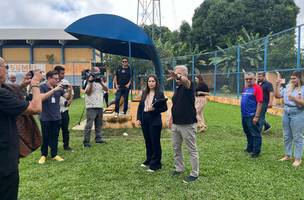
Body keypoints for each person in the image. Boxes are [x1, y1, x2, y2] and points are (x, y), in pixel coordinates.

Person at [0, 57, 43, 200]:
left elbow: (9, 94)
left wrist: (23, 86)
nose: (6, 71)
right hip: (4, 162)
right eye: (5, 67)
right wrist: (35, 84)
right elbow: (35, 108)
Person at [168, 65, 199, 183]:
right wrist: (171, 119)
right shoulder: (178, 88)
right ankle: (179, 168)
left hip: (187, 124)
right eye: (175, 73)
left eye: (179, 74)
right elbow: (176, 105)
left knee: (191, 149)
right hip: (176, 124)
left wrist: (179, 76)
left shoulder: (189, 85)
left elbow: (185, 82)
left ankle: (194, 173)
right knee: (176, 148)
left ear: (185, 75)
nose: (176, 76)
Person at [38, 70, 73, 164]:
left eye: (58, 79)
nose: (58, 80)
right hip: (45, 117)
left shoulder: (59, 88)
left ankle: (54, 154)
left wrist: (69, 91)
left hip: (57, 117)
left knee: (55, 136)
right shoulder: (42, 87)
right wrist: (54, 90)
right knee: (45, 137)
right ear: (49, 78)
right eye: (56, 79)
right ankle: (43, 155)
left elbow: (67, 98)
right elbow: (41, 98)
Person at [136, 75, 167, 172]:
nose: (151, 83)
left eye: (153, 81)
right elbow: (140, 106)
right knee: (148, 141)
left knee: (155, 142)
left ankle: (156, 164)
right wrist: (138, 118)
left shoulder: (160, 94)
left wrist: (154, 109)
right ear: (147, 83)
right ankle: (149, 160)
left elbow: (164, 108)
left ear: (156, 82)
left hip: (155, 120)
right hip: (145, 119)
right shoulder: (144, 93)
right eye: (149, 81)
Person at [274, 71, 304, 167]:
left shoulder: (303, 89)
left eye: (294, 78)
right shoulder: (288, 87)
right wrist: (277, 84)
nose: (292, 80)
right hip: (286, 112)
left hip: (298, 113)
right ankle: (288, 155)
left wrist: (294, 99)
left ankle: (298, 158)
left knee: (297, 136)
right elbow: (278, 95)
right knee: (287, 135)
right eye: (291, 78)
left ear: (300, 79)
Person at [83, 67, 108, 147]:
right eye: (96, 73)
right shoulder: (88, 81)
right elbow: (89, 93)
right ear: (92, 73)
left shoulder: (100, 81)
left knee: (99, 124)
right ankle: (86, 141)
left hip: (99, 105)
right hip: (91, 106)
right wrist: (90, 82)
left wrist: (101, 82)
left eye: (98, 73)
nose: (97, 74)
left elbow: (106, 89)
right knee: (89, 124)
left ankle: (98, 138)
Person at [241, 72, 263, 158]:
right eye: (247, 79)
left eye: (250, 79)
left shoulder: (257, 88)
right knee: (247, 132)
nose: (248, 80)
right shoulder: (246, 88)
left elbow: (260, 103)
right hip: (244, 115)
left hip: (252, 115)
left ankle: (256, 151)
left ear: (255, 79)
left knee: (255, 133)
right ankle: (249, 148)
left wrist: (256, 116)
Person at [54, 65, 74, 151]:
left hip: (64, 109)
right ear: (57, 73)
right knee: (55, 131)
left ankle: (66, 146)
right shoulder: (52, 83)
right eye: (62, 73)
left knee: (65, 130)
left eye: (63, 73)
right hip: (55, 110)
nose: (63, 75)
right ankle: (54, 147)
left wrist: (70, 99)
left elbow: (70, 94)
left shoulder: (65, 82)